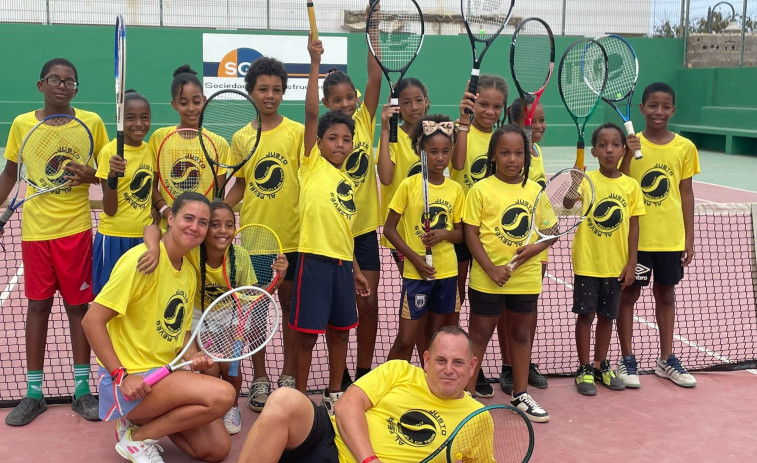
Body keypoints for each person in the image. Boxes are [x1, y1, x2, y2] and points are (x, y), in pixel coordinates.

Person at [81, 192, 237, 463]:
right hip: (130, 382)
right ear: (171, 218)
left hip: (161, 381)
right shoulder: (141, 261)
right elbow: (91, 320)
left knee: (216, 449)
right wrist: (122, 375)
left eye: (203, 222)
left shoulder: (188, 274)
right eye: (188, 218)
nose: (195, 227)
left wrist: (192, 357)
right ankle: (136, 441)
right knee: (223, 394)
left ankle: (142, 428)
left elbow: (182, 334)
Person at [1, 58, 109, 426]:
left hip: (76, 231)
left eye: (70, 81)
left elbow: (109, 176)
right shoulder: (22, 125)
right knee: (37, 308)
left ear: (76, 88)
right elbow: (10, 174)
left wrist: (92, 175)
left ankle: (82, 390)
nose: (62, 86)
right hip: (36, 234)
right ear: (40, 85)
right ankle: (34, 394)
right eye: (55, 79)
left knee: (79, 309)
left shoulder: (92, 123)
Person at [238, 326, 491, 463]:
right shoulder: (399, 370)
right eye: (440, 360)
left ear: (472, 366)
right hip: (331, 439)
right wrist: (369, 460)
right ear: (426, 360)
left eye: (458, 362)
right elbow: (346, 405)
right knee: (285, 398)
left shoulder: (478, 418)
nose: (448, 370)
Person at [141, 200, 288, 434]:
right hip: (197, 316)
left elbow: (251, 297)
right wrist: (154, 248)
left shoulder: (239, 257)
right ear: (206, 229)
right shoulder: (191, 253)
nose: (223, 231)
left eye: (229, 225)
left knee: (231, 367)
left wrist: (278, 280)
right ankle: (212, 406)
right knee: (209, 368)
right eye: (215, 225)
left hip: (233, 314)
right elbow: (152, 228)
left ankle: (231, 406)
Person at [292, 34, 370, 410]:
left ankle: (335, 392)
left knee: (341, 334)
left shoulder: (346, 182)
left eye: (346, 139)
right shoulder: (311, 165)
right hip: (314, 263)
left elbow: (343, 230)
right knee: (307, 336)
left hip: (342, 266)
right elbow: (310, 113)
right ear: (319, 142)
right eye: (332, 138)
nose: (339, 144)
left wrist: (355, 269)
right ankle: (301, 399)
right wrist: (314, 63)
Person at [224, 56, 304, 409]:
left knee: (290, 308)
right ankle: (259, 378)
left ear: (284, 93)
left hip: (294, 238)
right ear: (250, 92)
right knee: (256, 311)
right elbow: (241, 184)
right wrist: (221, 211)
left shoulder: (298, 133)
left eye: (276, 90)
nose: (269, 95)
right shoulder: (241, 137)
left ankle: (287, 375)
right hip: (255, 239)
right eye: (262, 89)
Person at [463, 125, 553, 422]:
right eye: (505, 153)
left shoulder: (535, 191)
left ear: (527, 157)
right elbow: (470, 233)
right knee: (479, 334)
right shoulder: (480, 190)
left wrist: (533, 250)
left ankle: (520, 393)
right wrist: (490, 269)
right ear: (492, 156)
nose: (512, 159)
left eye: (518, 153)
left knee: (520, 333)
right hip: (486, 280)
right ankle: (466, 398)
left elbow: (550, 231)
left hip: (524, 279)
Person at [617, 82, 700, 388]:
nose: (659, 112)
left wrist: (689, 238)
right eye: (653, 106)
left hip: (670, 239)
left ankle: (666, 359)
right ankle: (627, 359)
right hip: (636, 241)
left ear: (673, 110)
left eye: (665, 106)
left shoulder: (685, 148)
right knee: (629, 296)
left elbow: (687, 193)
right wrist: (629, 152)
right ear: (641, 109)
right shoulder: (632, 143)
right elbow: (622, 183)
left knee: (666, 296)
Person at [320, 3, 383, 389]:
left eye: (350, 97)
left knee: (368, 303)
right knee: (336, 309)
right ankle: (337, 375)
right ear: (328, 104)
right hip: (332, 233)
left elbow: (375, 75)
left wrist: (371, 25)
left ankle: (362, 372)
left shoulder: (364, 122)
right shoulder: (322, 136)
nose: (346, 104)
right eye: (338, 100)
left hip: (363, 231)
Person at [571, 123, 645, 396]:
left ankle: (601, 365)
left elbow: (635, 226)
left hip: (616, 266)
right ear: (593, 151)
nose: (609, 150)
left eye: (615, 145)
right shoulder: (587, 180)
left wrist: (631, 263)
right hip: (588, 263)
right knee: (585, 316)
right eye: (603, 145)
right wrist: (575, 183)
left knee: (607, 316)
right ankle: (584, 368)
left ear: (623, 150)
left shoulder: (630, 186)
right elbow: (568, 204)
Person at [384, 115, 464, 361]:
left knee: (435, 338)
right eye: (433, 151)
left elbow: (461, 235)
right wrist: (416, 259)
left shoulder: (455, 190)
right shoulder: (409, 186)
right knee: (405, 339)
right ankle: (390, 385)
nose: (440, 158)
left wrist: (445, 234)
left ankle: (430, 389)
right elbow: (389, 229)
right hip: (415, 274)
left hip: (447, 274)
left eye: (445, 151)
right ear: (421, 152)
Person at [450, 74, 508, 398]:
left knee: (485, 307)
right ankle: (461, 365)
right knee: (457, 303)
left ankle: (478, 363)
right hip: (462, 230)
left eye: (495, 106)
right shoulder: (465, 132)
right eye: (483, 104)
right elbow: (458, 164)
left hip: (492, 234)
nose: (489, 111)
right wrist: (463, 122)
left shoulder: (503, 138)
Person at [497, 95, 550, 394]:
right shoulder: (511, 153)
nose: (538, 126)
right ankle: (508, 366)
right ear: (515, 121)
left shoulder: (538, 153)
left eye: (542, 120)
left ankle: (523, 362)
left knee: (529, 309)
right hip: (508, 245)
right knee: (507, 309)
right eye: (531, 121)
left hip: (536, 247)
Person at [148, 65, 228, 225]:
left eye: (196, 101)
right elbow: (151, 186)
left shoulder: (219, 144)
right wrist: (165, 210)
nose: (191, 108)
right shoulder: (159, 138)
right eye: (184, 103)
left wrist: (201, 219)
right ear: (174, 104)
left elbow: (218, 197)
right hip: (167, 229)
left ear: (204, 100)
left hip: (201, 231)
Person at [93, 89, 154, 295]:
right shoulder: (109, 153)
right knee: (110, 301)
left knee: (139, 300)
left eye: (144, 117)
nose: (138, 123)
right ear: (118, 120)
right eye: (130, 118)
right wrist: (112, 177)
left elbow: (151, 191)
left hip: (144, 240)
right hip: (113, 238)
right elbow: (110, 209)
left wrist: (161, 208)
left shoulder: (150, 150)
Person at [377, 77, 430, 276]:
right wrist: (384, 131)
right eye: (406, 102)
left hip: (431, 227)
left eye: (418, 100)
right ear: (397, 106)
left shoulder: (437, 135)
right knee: (411, 289)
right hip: (400, 232)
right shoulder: (393, 139)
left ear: (426, 101)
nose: (414, 107)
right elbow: (385, 178)